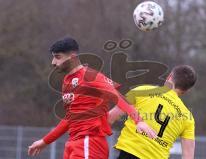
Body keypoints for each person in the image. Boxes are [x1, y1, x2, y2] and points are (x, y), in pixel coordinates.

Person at [28, 37, 157, 159]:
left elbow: (119, 97)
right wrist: (45, 141)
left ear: (72, 57)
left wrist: (139, 121)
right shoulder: (67, 81)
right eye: (53, 57)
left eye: (58, 57)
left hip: (89, 142)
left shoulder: (90, 76)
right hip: (73, 143)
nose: (53, 62)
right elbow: (70, 118)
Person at [109, 65, 197, 159]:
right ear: (186, 90)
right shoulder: (187, 117)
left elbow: (110, 118)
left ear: (169, 76)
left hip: (130, 153)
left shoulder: (141, 91)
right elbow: (188, 156)